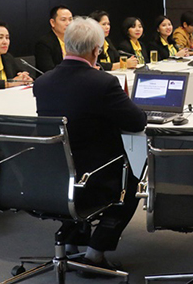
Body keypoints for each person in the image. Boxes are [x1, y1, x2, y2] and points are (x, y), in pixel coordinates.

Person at [33, 16, 146, 273]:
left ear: (66, 44)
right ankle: (95, 253)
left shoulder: (42, 83)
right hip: (95, 178)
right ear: (96, 50)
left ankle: (73, 241)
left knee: (82, 162)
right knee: (133, 180)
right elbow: (137, 121)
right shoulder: (103, 82)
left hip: (53, 176)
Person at [34, 5, 73, 73]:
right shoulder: (44, 43)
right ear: (52, 22)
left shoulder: (75, 41)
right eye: (63, 20)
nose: (68, 23)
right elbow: (49, 70)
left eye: (70, 19)